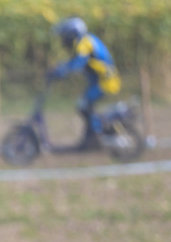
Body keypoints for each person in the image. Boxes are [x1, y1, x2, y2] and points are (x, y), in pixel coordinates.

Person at [47, 17, 122, 150]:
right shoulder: (86, 41)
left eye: (65, 36)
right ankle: (91, 137)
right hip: (102, 81)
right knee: (85, 107)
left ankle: (96, 136)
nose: (63, 40)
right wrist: (61, 68)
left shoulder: (84, 42)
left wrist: (59, 71)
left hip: (105, 82)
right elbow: (77, 62)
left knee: (85, 106)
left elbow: (78, 62)